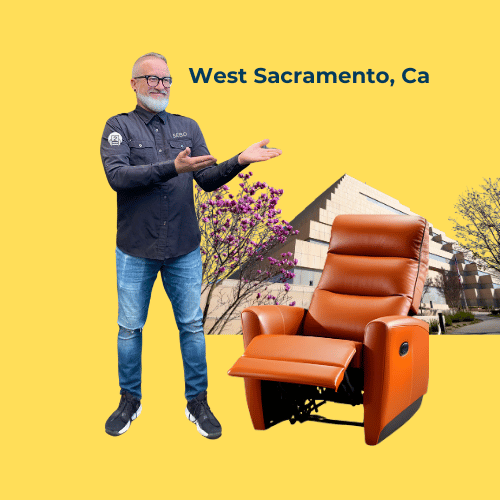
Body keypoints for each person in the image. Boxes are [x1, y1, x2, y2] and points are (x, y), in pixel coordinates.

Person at [100, 52, 281, 439]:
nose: (160, 85)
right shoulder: (118, 127)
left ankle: (197, 401)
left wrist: (240, 160)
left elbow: (208, 179)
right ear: (133, 83)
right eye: (151, 78)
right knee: (130, 329)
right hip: (136, 249)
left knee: (192, 326)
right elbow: (118, 177)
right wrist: (171, 168)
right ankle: (129, 399)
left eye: (166, 79)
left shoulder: (187, 126)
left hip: (184, 248)